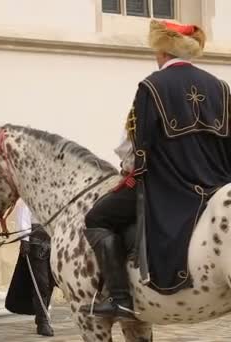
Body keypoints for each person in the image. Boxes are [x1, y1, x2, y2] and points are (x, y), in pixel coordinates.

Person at [80, 20, 231, 319]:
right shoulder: (221, 88)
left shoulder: (151, 86)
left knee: (97, 217)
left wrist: (129, 171)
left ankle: (120, 298)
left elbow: (136, 148)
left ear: (163, 50)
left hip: (169, 189)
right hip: (218, 186)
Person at [5, 200, 55, 336]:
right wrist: (24, 240)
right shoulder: (26, 197)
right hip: (36, 244)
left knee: (50, 283)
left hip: (54, 242)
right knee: (41, 284)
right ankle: (42, 322)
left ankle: (44, 316)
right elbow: (23, 214)